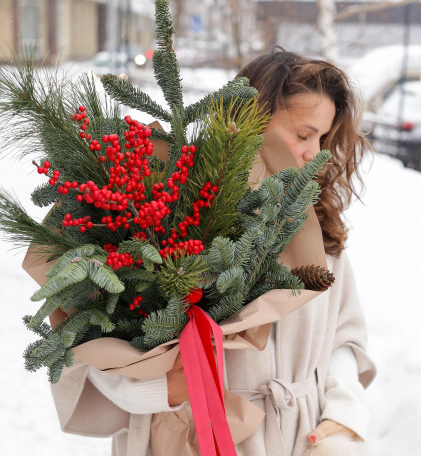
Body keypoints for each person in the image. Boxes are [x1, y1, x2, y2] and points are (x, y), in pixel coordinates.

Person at [48, 48, 376, 456]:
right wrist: (160, 390)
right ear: (256, 119)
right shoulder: (179, 211)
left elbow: (344, 333)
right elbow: (90, 343)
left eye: (325, 138)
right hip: (194, 433)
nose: (317, 153)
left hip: (303, 435)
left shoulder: (319, 223)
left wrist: (343, 411)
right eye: (304, 134)